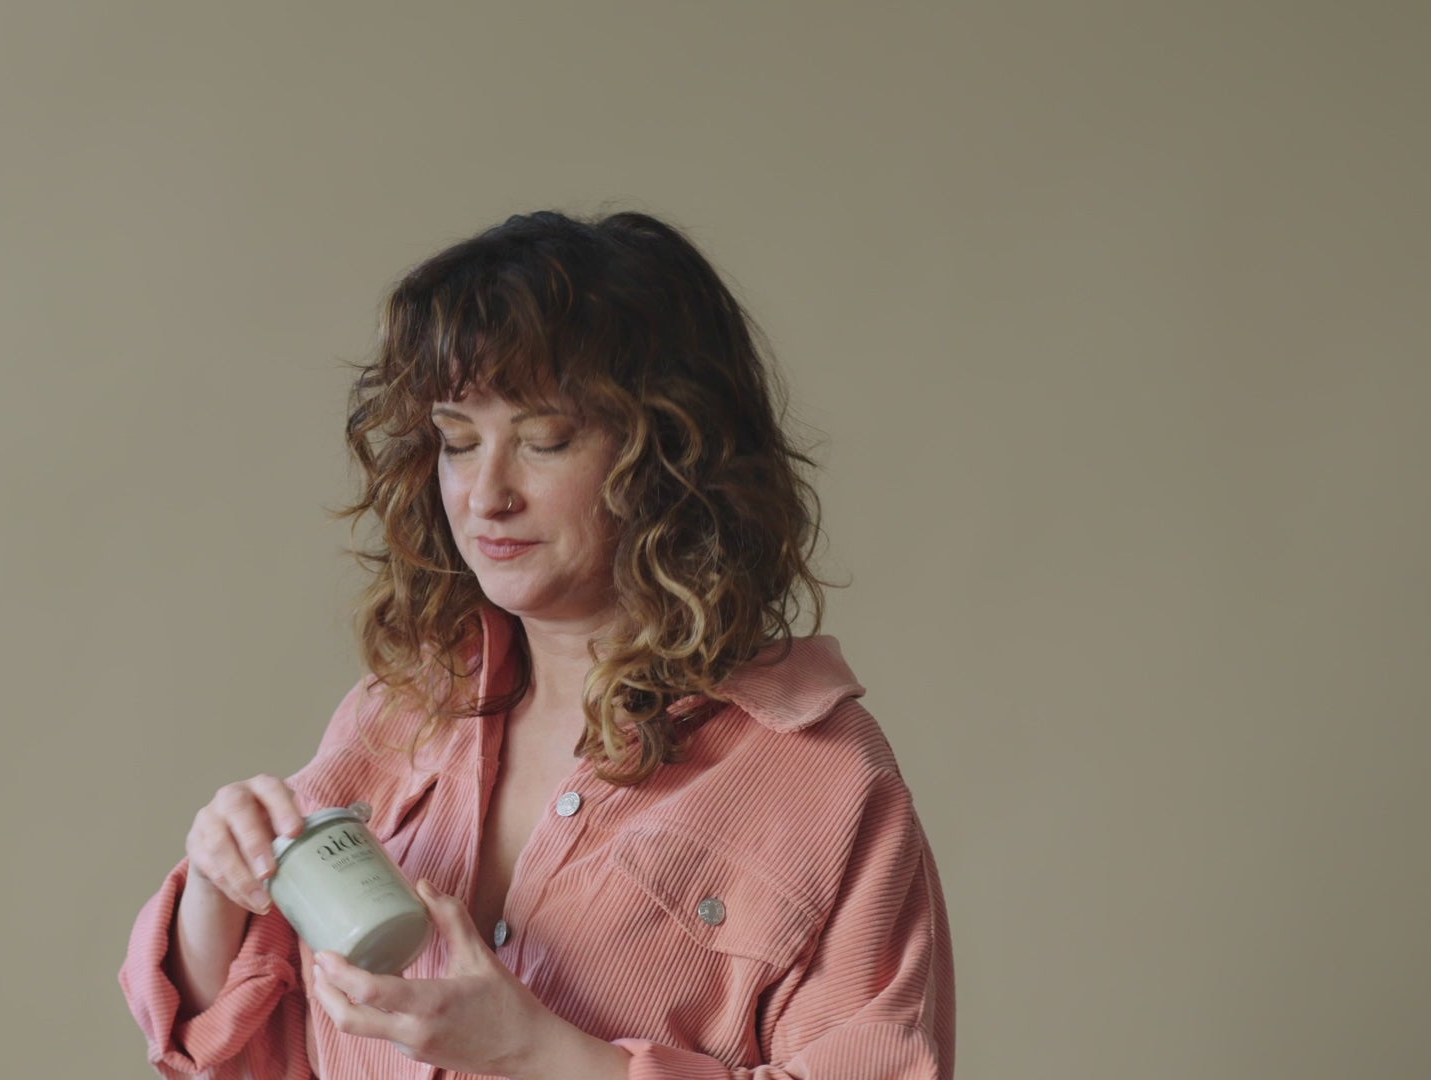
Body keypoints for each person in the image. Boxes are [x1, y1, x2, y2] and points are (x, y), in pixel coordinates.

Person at [118, 209, 955, 1079]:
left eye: (544, 440)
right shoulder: (398, 714)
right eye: (457, 441)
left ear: (671, 454)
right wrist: (220, 884)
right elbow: (256, 1056)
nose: (486, 494)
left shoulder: (823, 775)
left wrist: (537, 1053)